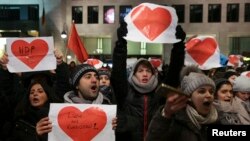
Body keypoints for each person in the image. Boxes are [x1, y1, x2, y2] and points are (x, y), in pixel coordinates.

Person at [111, 21, 186, 141]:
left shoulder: (160, 92)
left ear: (153, 74)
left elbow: (174, 72)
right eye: (140, 71)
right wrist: (121, 44)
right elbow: (118, 71)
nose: (145, 74)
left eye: (148, 71)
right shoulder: (125, 92)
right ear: (133, 74)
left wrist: (179, 46)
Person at [36, 64, 113, 137]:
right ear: (76, 85)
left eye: (96, 77)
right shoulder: (59, 112)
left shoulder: (108, 107)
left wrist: (118, 129)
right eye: (88, 77)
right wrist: (41, 135)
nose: (94, 80)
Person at [146, 65, 218, 141]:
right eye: (202, 91)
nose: (209, 95)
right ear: (189, 96)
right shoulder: (176, 120)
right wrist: (166, 115)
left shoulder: (217, 119)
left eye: (211, 92)